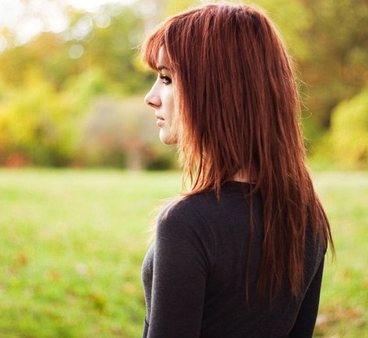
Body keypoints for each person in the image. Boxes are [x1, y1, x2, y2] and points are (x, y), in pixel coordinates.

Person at [140, 2, 334, 337]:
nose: (151, 97)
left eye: (167, 78)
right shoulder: (306, 213)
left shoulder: (188, 223)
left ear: (215, 90)